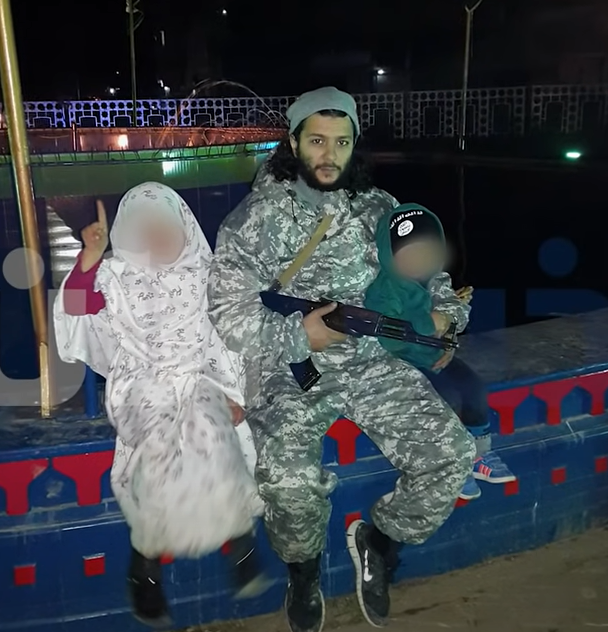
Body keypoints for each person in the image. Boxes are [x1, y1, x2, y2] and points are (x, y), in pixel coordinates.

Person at [207, 86, 476, 632]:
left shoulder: (378, 207)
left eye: (341, 142)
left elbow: (427, 273)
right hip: (291, 367)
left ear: (354, 145)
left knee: (450, 455)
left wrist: (446, 317)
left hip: (373, 359)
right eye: (317, 141)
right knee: (288, 482)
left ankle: (379, 543)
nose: (329, 154)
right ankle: (303, 572)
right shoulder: (256, 219)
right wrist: (298, 334)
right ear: (293, 142)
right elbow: (227, 310)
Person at [53, 182, 267, 627]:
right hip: (141, 383)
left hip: (200, 378)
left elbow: (230, 341)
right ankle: (145, 565)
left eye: (165, 229)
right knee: (159, 448)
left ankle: (239, 540)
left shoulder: (207, 275)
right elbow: (75, 308)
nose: (157, 239)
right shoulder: (116, 277)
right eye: (145, 230)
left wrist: (235, 394)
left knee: (213, 431)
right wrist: (89, 260)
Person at [364, 203, 515, 502]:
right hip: (401, 362)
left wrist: (448, 330)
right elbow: (389, 335)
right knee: (447, 398)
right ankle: (452, 464)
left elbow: (455, 309)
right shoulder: (384, 289)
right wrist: (428, 322)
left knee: (474, 388)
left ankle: (479, 455)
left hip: (432, 354)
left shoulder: (433, 278)